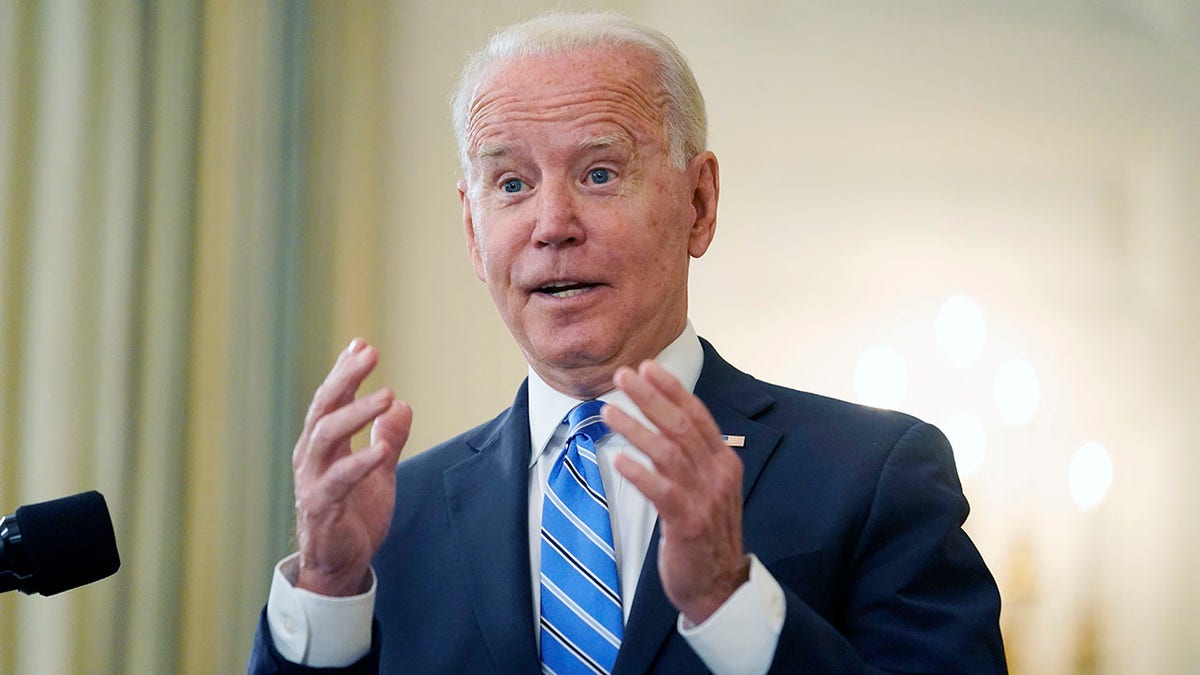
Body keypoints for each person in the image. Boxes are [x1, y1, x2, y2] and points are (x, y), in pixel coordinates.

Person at [249, 11, 1006, 674]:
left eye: (601, 172)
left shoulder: (875, 478)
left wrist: (729, 600)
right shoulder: (388, 524)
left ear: (699, 204)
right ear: (472, 234)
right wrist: (325, 590)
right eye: (510, 184)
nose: (552, 224)